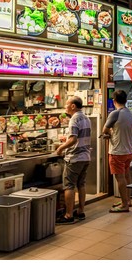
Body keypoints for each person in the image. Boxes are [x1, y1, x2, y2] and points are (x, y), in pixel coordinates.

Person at [56, 96, 91, 224]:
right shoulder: (86, 118)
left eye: (67, 104)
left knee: (69, 186)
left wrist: (61, 148)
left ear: (73, 106)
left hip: (75, 158)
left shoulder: (74, 119)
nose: (65, 107)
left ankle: (68, 215)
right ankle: (81, 211)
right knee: (81, 184)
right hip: (85, 156)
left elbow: (73, 139)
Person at [102, 90, 132, 213]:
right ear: (125, 100)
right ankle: (127, 200)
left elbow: (105, 129)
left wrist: (110, 134)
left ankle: (124, 205)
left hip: (117, 152)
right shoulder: (129, 113)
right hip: (128, 151)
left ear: (114, 101)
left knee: (120, 178)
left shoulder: (115, 113)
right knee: (126, 176)